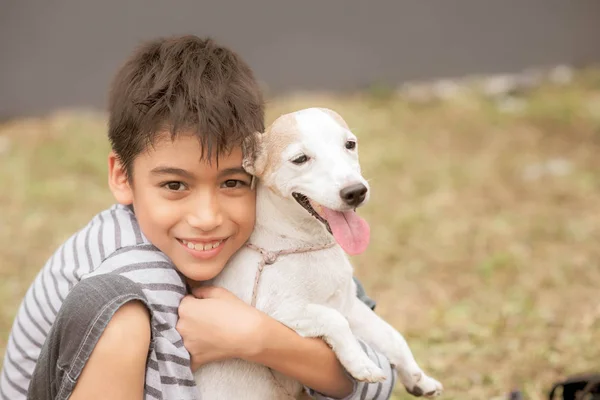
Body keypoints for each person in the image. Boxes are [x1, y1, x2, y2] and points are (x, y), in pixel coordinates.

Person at [0, 35, 397, 400]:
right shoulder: (132, 267)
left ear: (262, 168)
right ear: (123, 177)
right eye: (175, 186)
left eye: (233, 183)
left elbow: (380, 376)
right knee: (118, 308)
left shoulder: (274, 233)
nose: (207, 218)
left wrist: (258, 338)